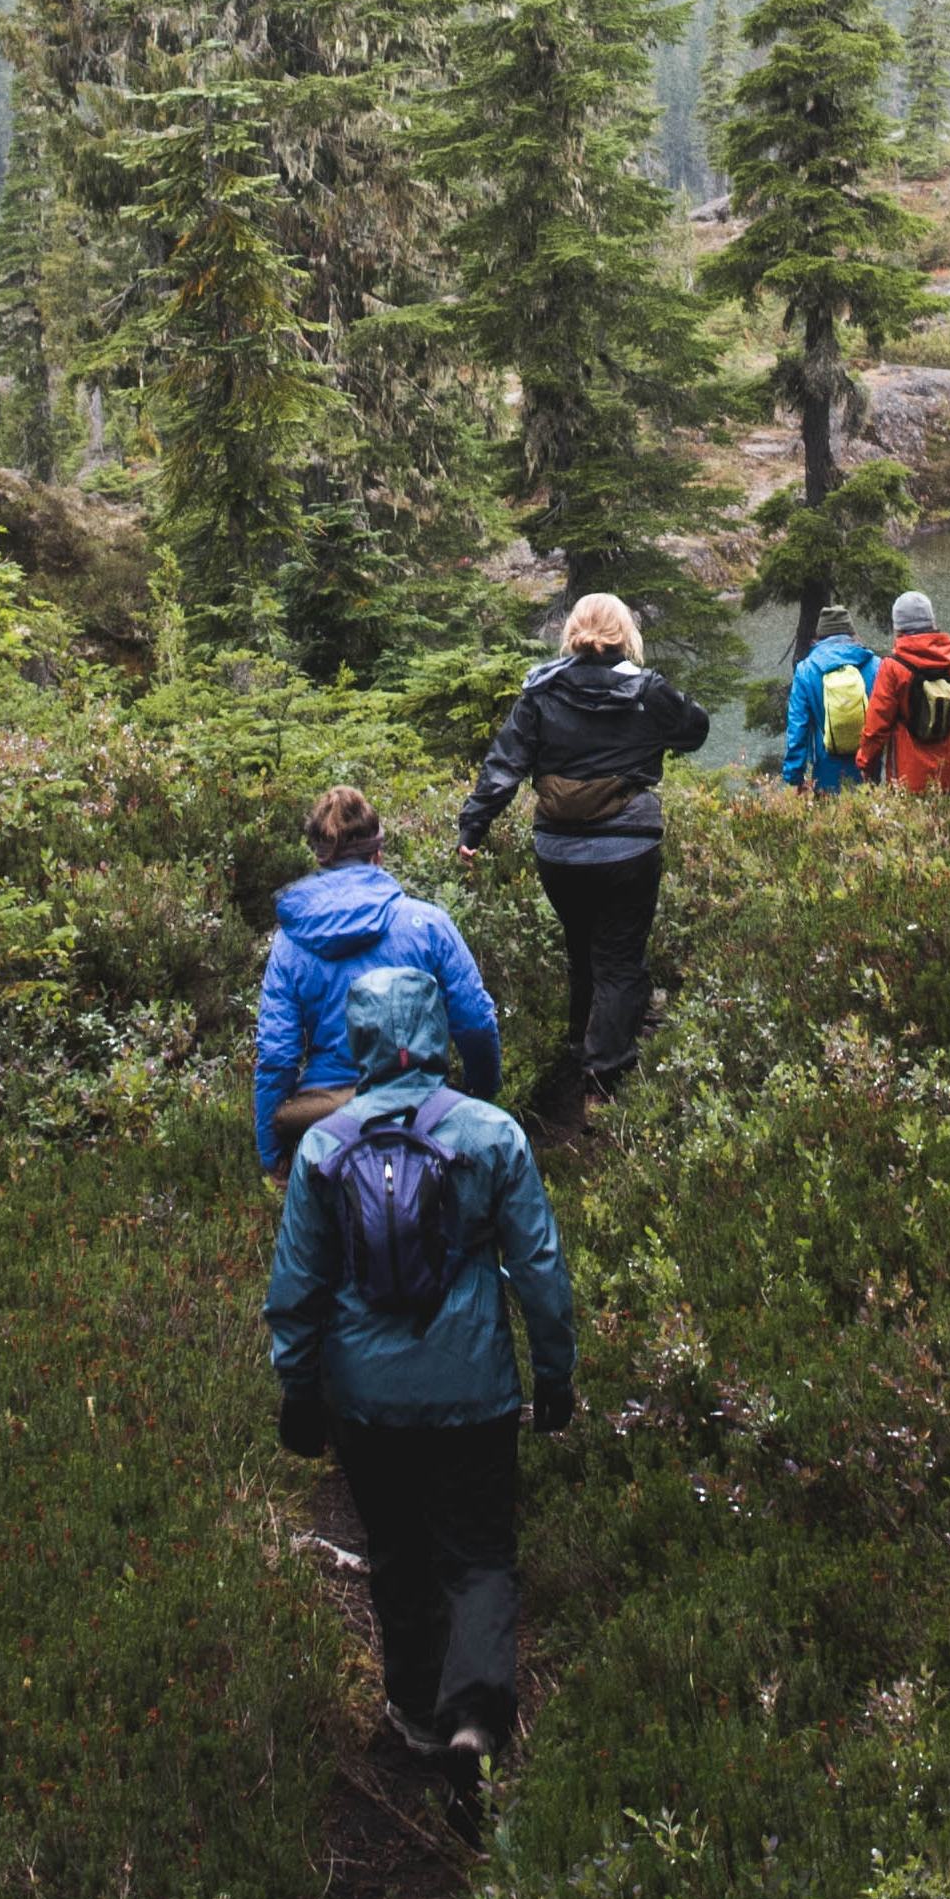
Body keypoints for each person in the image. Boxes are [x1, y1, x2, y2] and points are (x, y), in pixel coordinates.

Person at [269, 961, 574, 1792]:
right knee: (478, 1555)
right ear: (437, 1031)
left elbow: (297, 1285)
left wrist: (299, 1391)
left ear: (359, 1038)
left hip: (366, 1399)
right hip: (473, 1389)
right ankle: (476, 1717)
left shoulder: (325, 1145)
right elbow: (539, 1266)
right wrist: (554, 1372)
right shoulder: (490, 1133)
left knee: (397, 1555)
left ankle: (414, 1716)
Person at [458, 591, 709, 1105]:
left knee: (582, 949)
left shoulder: (540, 689)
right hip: (627, 850)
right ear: (625, 633)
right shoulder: (647, 689)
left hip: (560, 854)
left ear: (573, 631)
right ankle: (604, 1077)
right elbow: (694, 732)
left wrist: (472, 829)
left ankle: (580, 1046)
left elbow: (503, 765)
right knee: (619, 958)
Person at [253, 785, 504, 1170]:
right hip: (422, 1113)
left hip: (326, 1123)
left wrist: (275, 1158)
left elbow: (276, 1055)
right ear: (378, 855)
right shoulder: (427, 924)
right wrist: (479, 1096)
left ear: (320, 860)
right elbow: (475, 1023)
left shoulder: (291, 942)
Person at [868, 587, 950, 798]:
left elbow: (876, 727)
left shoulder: (892, 667)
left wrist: (866, 765)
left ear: (898, 628)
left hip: (906, 780)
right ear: (932, 622)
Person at [781, 601, 877, 796]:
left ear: (820, 636)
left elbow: (798, 728)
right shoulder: (876, 666)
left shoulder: (806, 670)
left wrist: (795, 777)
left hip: (826, 777)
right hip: (868, 772)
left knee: (829, 823)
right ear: (852, 634)